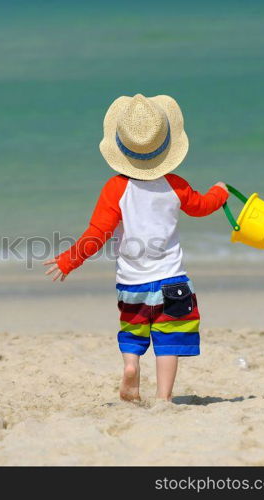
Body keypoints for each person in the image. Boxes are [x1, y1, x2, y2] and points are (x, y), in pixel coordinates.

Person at [44, 93, 229, 402]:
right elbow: (202, 206)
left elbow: (98, 233)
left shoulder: (116, 188)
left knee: (133, 331)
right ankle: (164, 398)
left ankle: (131, 366)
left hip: (132, 283)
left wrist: (69, 260)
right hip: (173, 280)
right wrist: (220, 193)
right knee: (168, 341)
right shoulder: (176, 184)